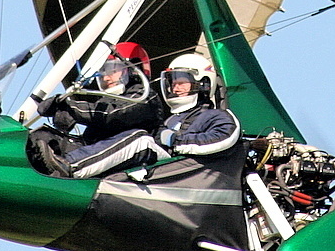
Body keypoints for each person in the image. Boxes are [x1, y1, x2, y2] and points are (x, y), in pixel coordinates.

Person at [61, 52, 241, 180]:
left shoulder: (216, 115)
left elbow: (224, 137)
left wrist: (176, 141)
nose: (175, 88)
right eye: (172, 83)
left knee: (140, 139)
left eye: (182, 83)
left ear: (202, 84)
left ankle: (69, 167)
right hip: (162, 170)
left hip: (189, 172)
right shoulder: (171, 119)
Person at [29, 42, 161, 176]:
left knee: (140, 139)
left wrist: (71, 108)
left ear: (133, 70)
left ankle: (67, 167)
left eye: (112, 70)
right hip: (101, 157)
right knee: (41, 137)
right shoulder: (105, 100)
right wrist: (60, 112)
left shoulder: (145, 96)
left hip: (147, 159)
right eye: (103, 71)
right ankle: (28, 164)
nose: (105, 77)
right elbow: (88, 134)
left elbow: (114, 114)